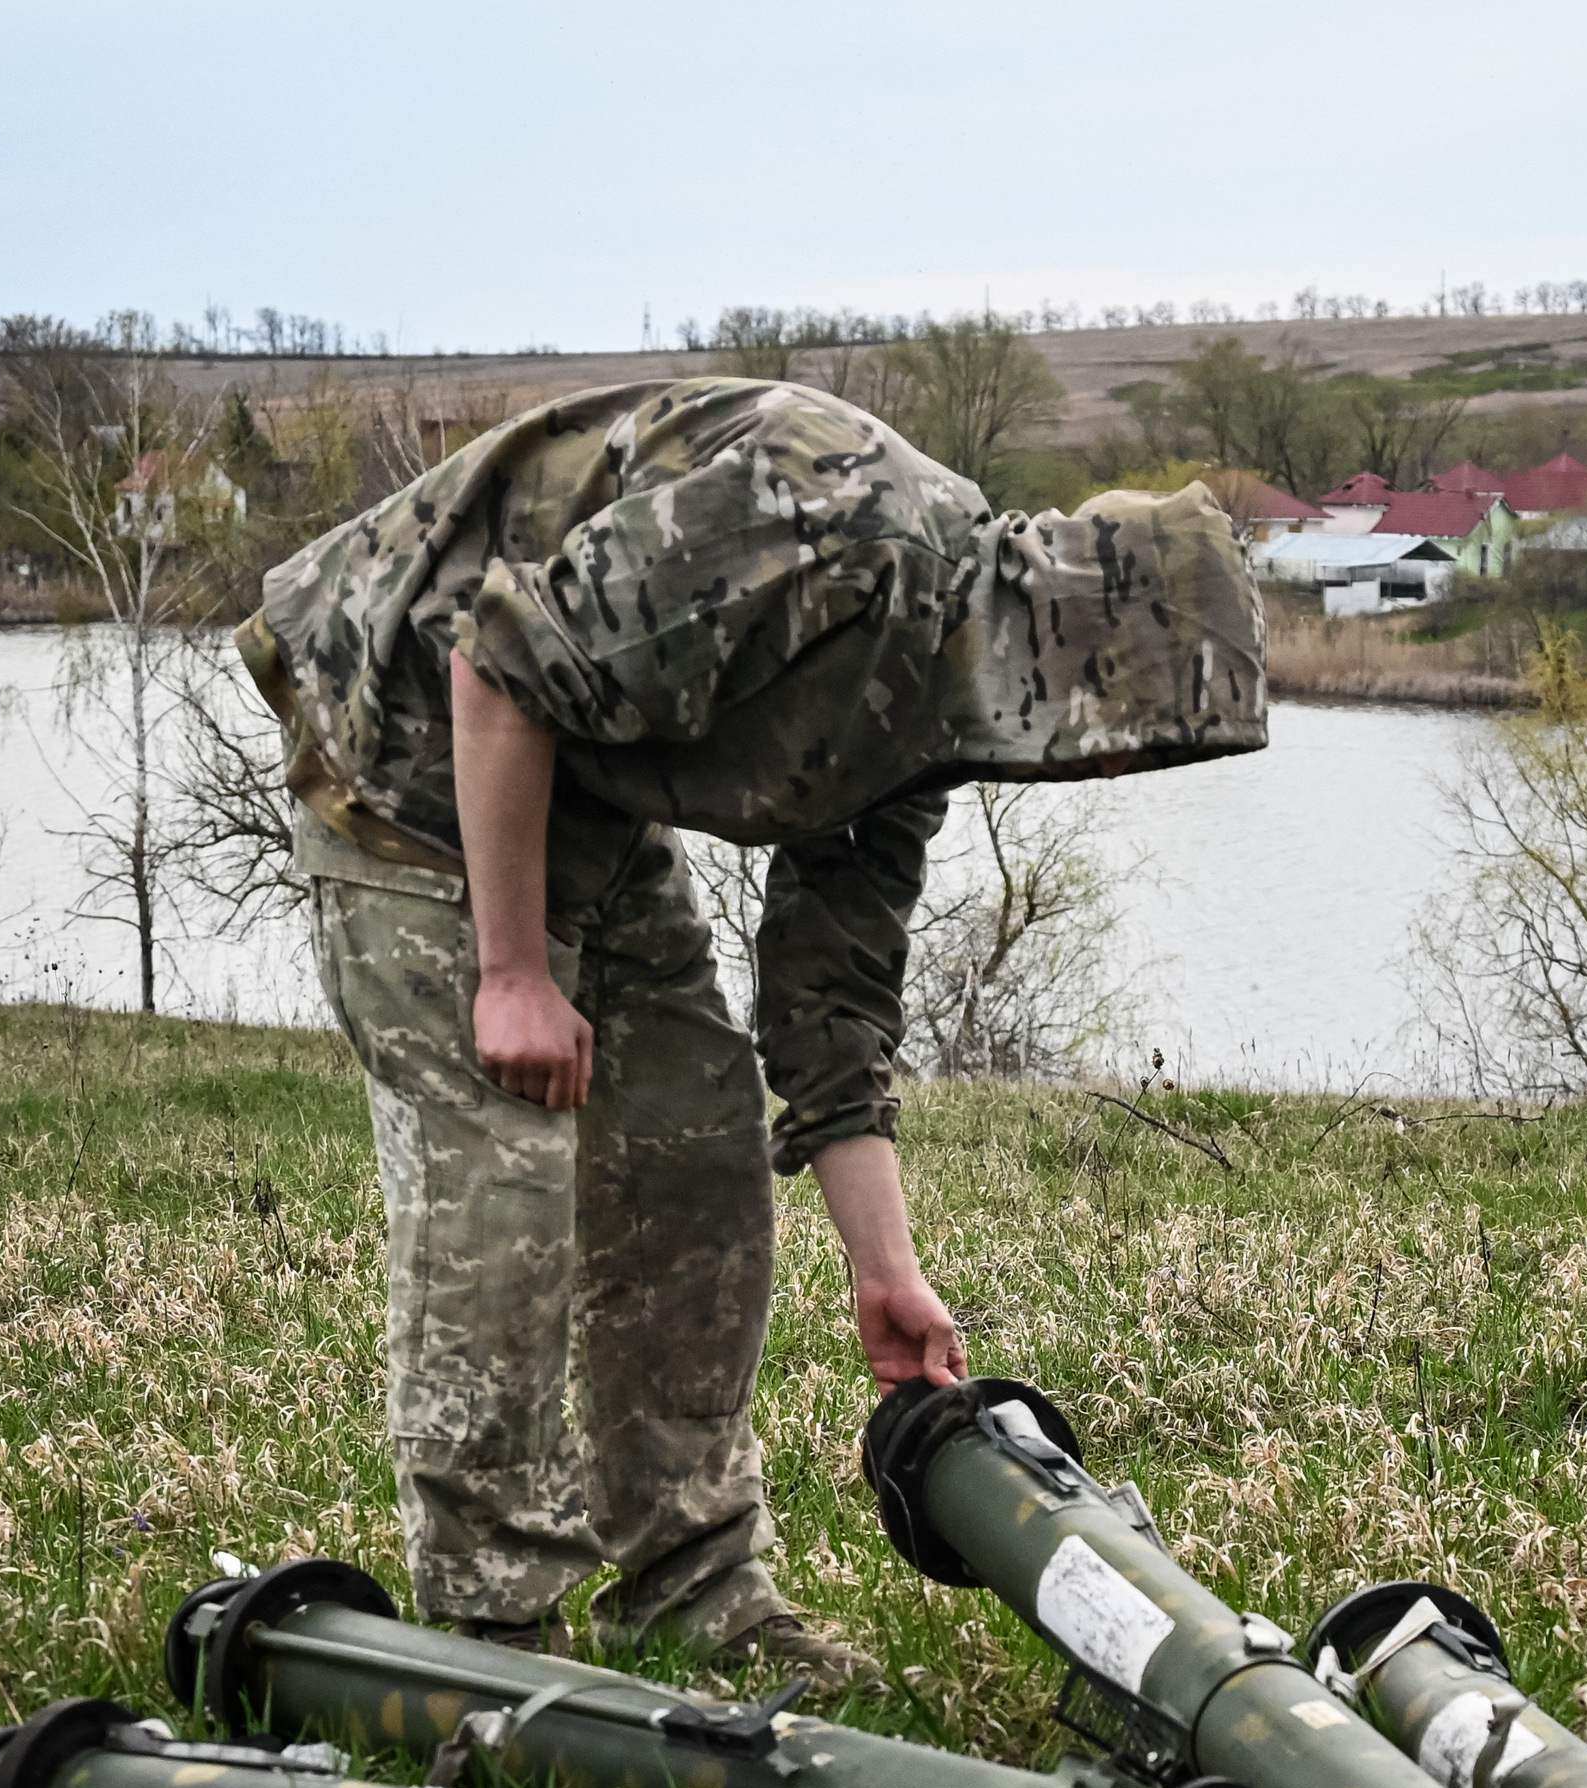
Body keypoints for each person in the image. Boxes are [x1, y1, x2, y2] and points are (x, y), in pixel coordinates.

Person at [237, 376, 1265, 1689]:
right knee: (505, 1166)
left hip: (577, 790)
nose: (1111, 772)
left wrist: (885, 1272)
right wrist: (509, 973)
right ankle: (494, 1642)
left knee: (695, 1141)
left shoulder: (942, 705)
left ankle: (694, 1595)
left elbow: (831, 1007)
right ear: (1077, 646)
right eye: (1131, 738)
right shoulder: (835, 526)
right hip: (409, 746)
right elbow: (500, 655)